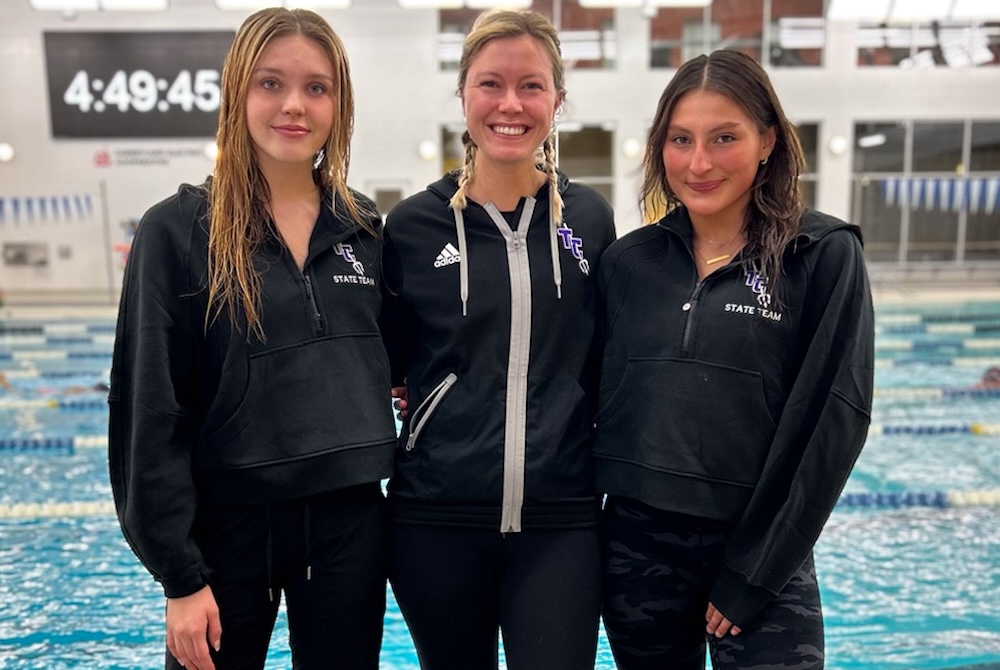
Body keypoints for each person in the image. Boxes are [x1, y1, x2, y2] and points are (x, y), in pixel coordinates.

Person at [108, 8, 396, 670]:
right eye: (271, 84)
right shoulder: (178, 232)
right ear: (238, 91)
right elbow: (150, 412)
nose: (294, 105)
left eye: (317, 88)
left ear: (339, 103)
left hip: (349, 522)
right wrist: (178, 576)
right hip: (228, 527)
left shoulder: (366, 230)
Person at [594, 50, 874, 669]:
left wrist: (756, 568)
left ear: (768, 140)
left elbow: (835, 420)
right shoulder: (628, 263)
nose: (699, 162)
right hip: (639, 550)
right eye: (681, 140)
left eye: (725, 138)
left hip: (762, 546)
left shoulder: (820, 255)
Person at [378, 9, 616, 670]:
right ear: (463, 95)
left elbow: (605, 359)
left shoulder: (590, 221)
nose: (510, 104)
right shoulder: (414, 226)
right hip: (435, 523)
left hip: (560, 519)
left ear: (557, 100)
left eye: (532, 86)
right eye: (491, 84)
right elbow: (390, 360)